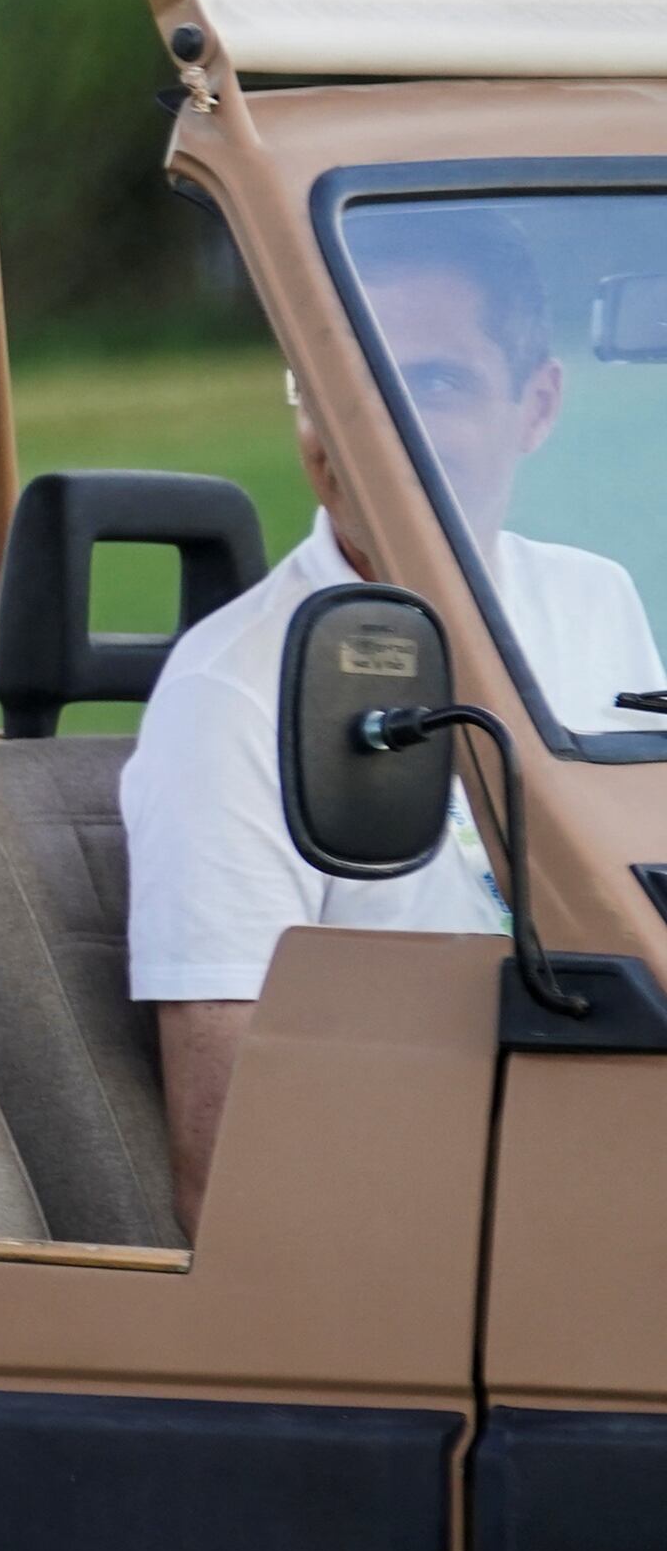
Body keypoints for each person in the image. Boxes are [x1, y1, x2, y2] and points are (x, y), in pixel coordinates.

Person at [126, 201, 666, 1227]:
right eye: (341, 385)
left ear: (536, 405)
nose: (370, 433)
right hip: (443, 1238)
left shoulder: (590, 601)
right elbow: (230, 1164)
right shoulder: (230, 689)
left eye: (432, 384)